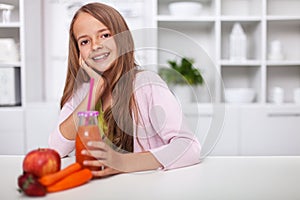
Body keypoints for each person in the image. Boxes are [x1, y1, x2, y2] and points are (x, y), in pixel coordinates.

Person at [49, 2, 201, 177]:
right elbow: (55, 149)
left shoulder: (147, 84)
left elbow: (189, 146)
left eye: (105, 35)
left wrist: (122, 163)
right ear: (78, 53)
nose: (95, 46)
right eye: (84, 41)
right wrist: (94, 91)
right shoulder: (83, 92)